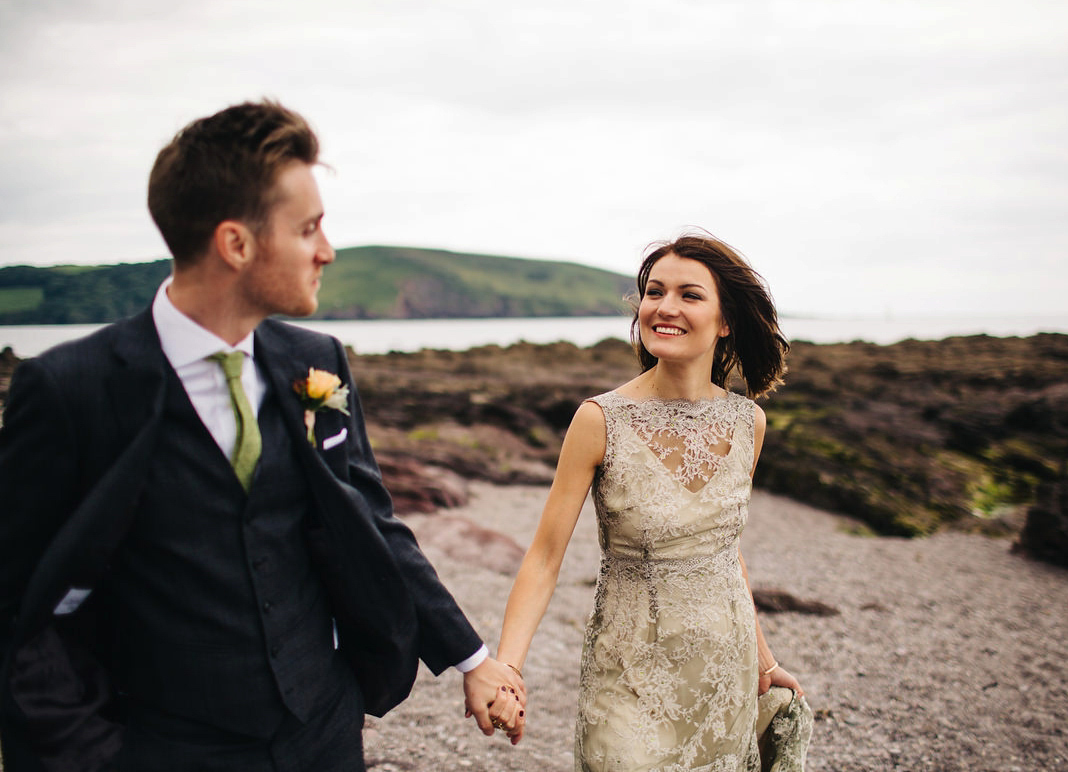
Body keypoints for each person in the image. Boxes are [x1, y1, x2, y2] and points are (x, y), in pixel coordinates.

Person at [0, 100, 524, 772]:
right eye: (309, 229)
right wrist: (88, 752)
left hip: (323, 730)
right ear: (236, 244)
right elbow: (19, 602)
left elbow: (371, 519)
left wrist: (470, 659)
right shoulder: (72, 388)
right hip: (165, 745)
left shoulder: (317, 363)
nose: (328, 251)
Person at [493, 232, 805, 769]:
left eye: (690, 295)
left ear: (725, 320)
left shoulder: (748, 422)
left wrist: (763, 662)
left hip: (722, 670)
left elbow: (724, 552)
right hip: (629, 672)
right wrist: (508, 668)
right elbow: (545, 556)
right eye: (655, 292)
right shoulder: (600, 420)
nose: (665, 307)